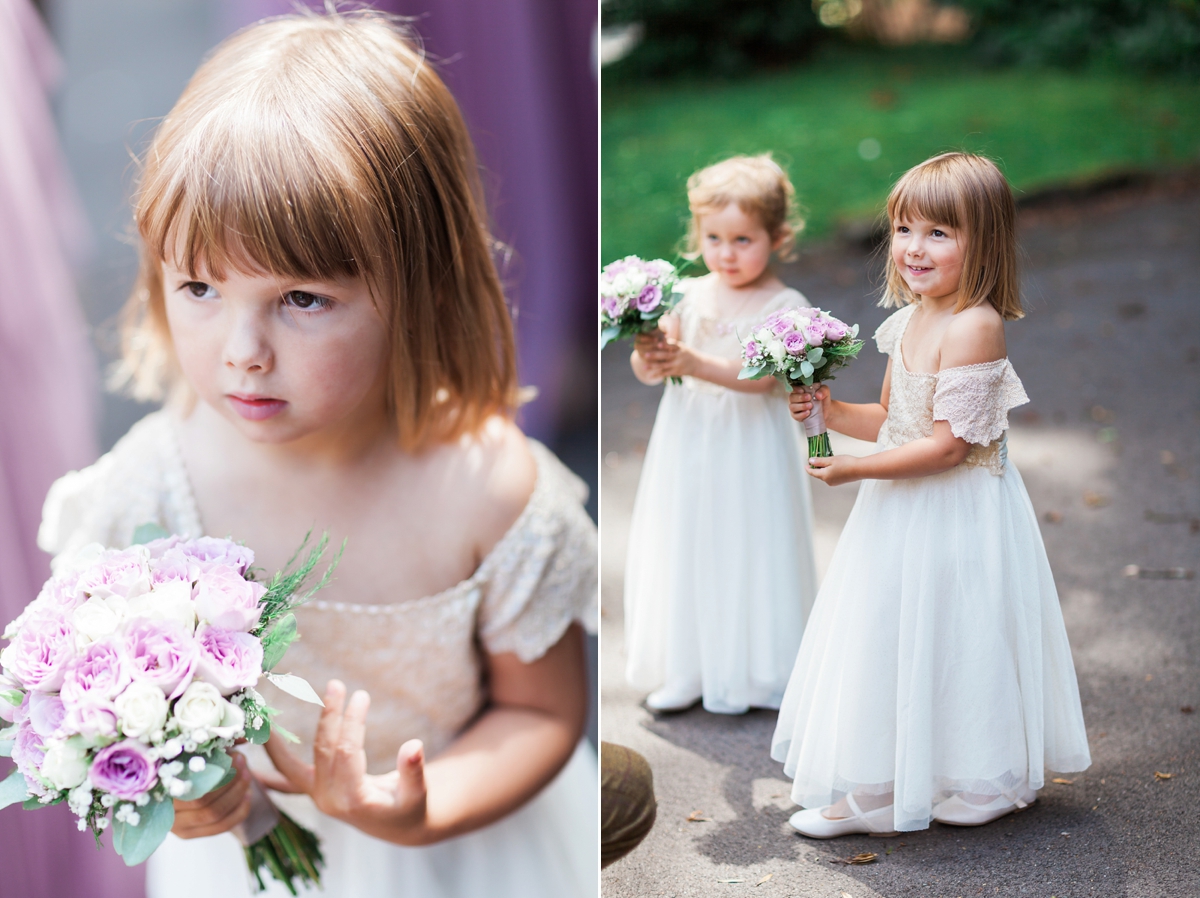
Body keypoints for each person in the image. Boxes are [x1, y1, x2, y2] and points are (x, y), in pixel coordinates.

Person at [36, 11, 597, 896]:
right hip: (238, 866)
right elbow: (111, 725)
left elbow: (540, 711)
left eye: (301, 297)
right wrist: (174, 791)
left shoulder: (488, 490)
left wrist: (421, 809)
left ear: (419, 281)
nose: (242, 350)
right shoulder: (149, 489)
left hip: (461, 857)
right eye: (200, 287)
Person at [771, 152, 1091, 838]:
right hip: (902, 502)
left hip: (954, 507)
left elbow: (950, 446)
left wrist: (855, 470)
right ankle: (888, 780)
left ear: (985, 244)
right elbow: (893, 421)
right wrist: (827, 411)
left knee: (958, 634)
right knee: (891, 630)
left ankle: (980, 776)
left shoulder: (973, 324)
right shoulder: (911, 318)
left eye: (940, 233)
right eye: (905, 230)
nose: (915, 248)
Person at [623, 155, 818, 714]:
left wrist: (692, 360)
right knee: (689, 539)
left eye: (742, 239)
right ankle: (689, 666)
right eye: (714, 237)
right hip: (688, 443)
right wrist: (651, 355)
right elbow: (654, 368)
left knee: (745, 543)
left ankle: (757, 669)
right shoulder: (685, 294)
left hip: (748, 446)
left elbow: (764, 382)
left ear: (777, 237)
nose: (726, 253)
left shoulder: (785, 308)